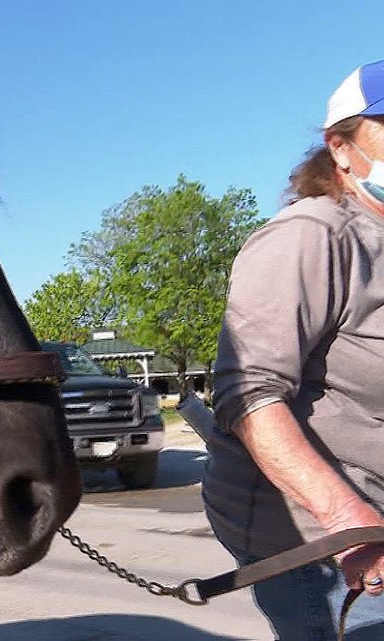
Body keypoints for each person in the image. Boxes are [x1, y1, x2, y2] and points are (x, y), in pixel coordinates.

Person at [205, 59, 384, 640]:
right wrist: (347, 525)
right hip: (316, 531)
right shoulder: (313, 236)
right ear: (341, 148)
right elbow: (248, 392)